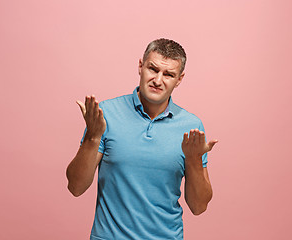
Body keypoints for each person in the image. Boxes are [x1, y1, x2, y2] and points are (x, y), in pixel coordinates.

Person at [66, 38, 218, 240]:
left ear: (179, 79)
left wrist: (193, 160)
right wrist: (93, 137)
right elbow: (75, 187)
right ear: (140, 66)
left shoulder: (191, 126)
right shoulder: (106, 114)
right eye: (153, 69)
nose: (158, 80)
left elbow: (199, 207)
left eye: (169, 74)